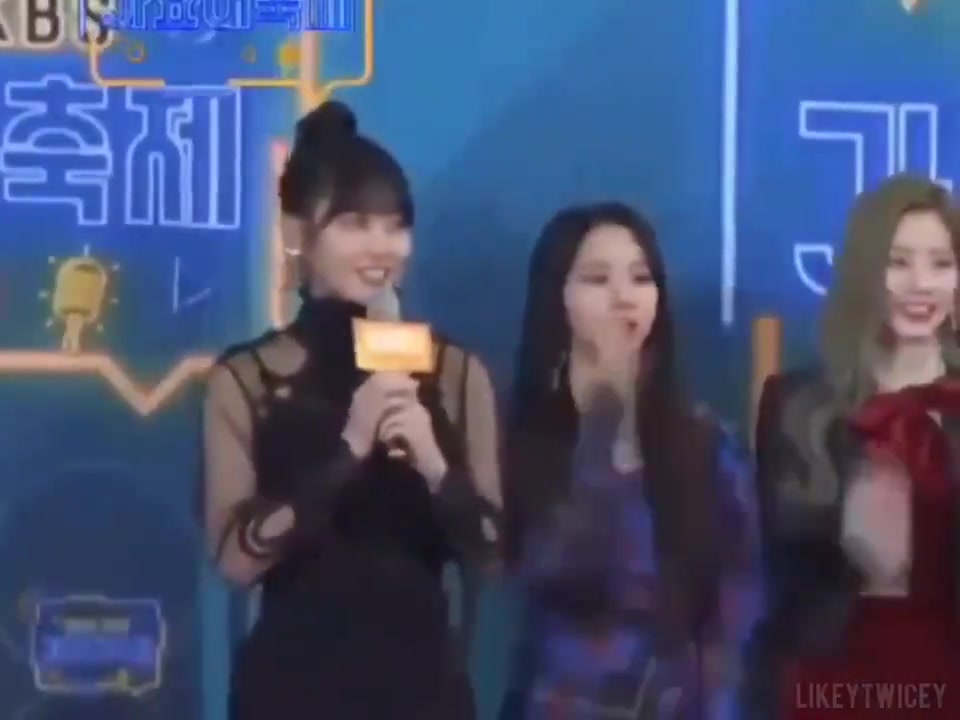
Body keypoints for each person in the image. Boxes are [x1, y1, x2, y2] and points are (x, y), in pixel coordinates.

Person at [202, 101, 502, 720]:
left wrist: (433, 462)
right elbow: (235, 559)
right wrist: (347, 450)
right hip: (290, 690)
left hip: (422, 690)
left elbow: (493, 555)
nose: (381, 247)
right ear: (298, 234)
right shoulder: (247, 378)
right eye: (355, 224)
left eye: (395, 226)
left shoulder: (454, 373)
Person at [498, 203, 755, 719]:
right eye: (598, 279)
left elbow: (739, 600)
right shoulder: (518, 439)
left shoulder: (703, 445)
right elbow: (538, 571)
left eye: (641, 278)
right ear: (557, 296)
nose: (624, 297)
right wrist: (604, 416)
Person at [742, 175, 960, 718]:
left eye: (941, 263)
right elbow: (779, 578)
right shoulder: (797, 405)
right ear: (865, 272)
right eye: (898, 262)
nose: (921, 284)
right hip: (831, 670)